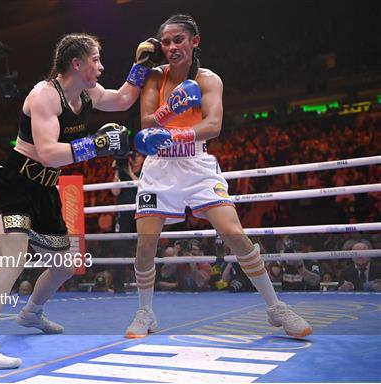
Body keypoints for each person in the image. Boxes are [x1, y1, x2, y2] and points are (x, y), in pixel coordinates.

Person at [0, 32, 158, 369]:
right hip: (16, 184)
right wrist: (97, 145)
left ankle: (31, 312)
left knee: (66, 263)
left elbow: (123, 99)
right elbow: (49, 153)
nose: (101, 66)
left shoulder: (87, 93)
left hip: (46, 189)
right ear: (77, 63)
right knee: (13, 257)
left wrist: (139, 67)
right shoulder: (44, 95)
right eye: (96, 60)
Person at [126, 14, 312, 339]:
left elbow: (212, 126)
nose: (172, 47)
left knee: (234, 232)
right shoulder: (154, 78)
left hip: (197, 164)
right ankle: (145, 312)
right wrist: (170, 110)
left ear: (194, 41)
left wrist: (173, 133)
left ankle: (275, 307)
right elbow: (146, 127)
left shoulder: (209, 79)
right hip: (160, 169)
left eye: (178, 40)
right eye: (166, 42)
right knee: (145, 244)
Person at [110, 151, 145, 293]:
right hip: (123, 214)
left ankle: (146, 283)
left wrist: (130, 172)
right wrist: (117, 172)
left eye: (136, 156)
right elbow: (115, 191)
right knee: (119, 247)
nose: (134, 158)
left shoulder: (146, 170)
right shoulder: (122, 171)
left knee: (144, 246)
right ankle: (118, 284)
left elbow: (142, 187)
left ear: (142, 158)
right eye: (132, 156)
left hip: (141, 214)